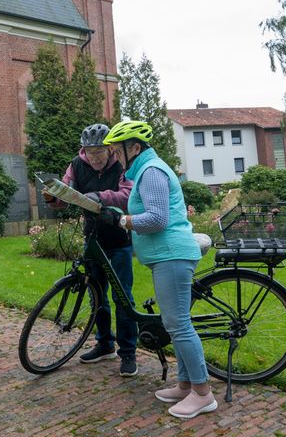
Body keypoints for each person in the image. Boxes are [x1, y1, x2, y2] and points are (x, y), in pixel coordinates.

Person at [97, 120, 217, 419]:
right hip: (166, 256)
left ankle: (203, 394)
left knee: (178, 325)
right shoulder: (146, 170)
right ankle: (185, 384)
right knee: (175, 323)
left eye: (117, 151)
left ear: (134, 147)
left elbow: (157, 219)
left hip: (172, 255)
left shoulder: (151, 171)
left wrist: (123, 220)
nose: (115, 156)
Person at [42, 123, 138, 376]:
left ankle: (128, 352)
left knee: (122, 297)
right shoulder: (76, 165)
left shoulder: (122, 166)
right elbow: (65, 193)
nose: (94, 157)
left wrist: (99, 196)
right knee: (96, 295)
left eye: (99, 152)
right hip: (92, 238)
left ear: (110, 149)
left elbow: (128, 196)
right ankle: (104, 343)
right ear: (83, 150)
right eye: (89, 152)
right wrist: (53, 198)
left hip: (119, 239)